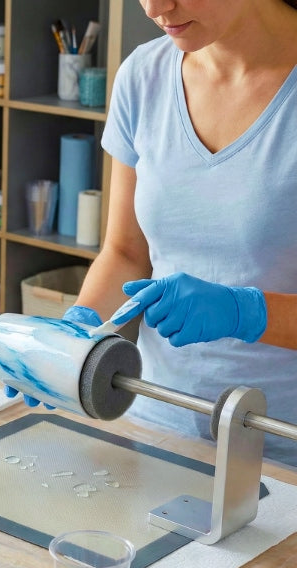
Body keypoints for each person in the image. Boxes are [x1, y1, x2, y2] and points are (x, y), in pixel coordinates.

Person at [57, 0, 297, 466]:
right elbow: (126, 252)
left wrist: (245, 311)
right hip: (151, 425)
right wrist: (73, 340)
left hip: (282, 449)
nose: (154, 7)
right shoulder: (143, 76)